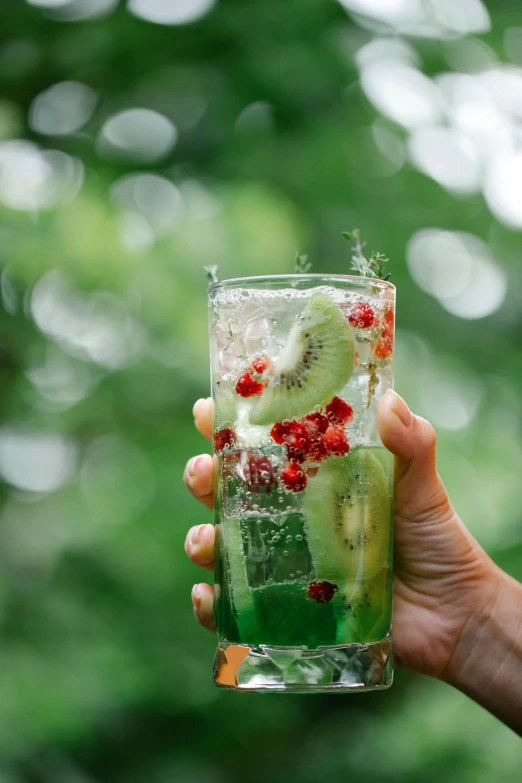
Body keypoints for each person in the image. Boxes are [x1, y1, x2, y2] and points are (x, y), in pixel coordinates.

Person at [183, 389, 522, 736]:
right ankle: (253, 647)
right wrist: (473, 625)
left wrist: (473, 624)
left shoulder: (353, 452)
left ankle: (264, 649)